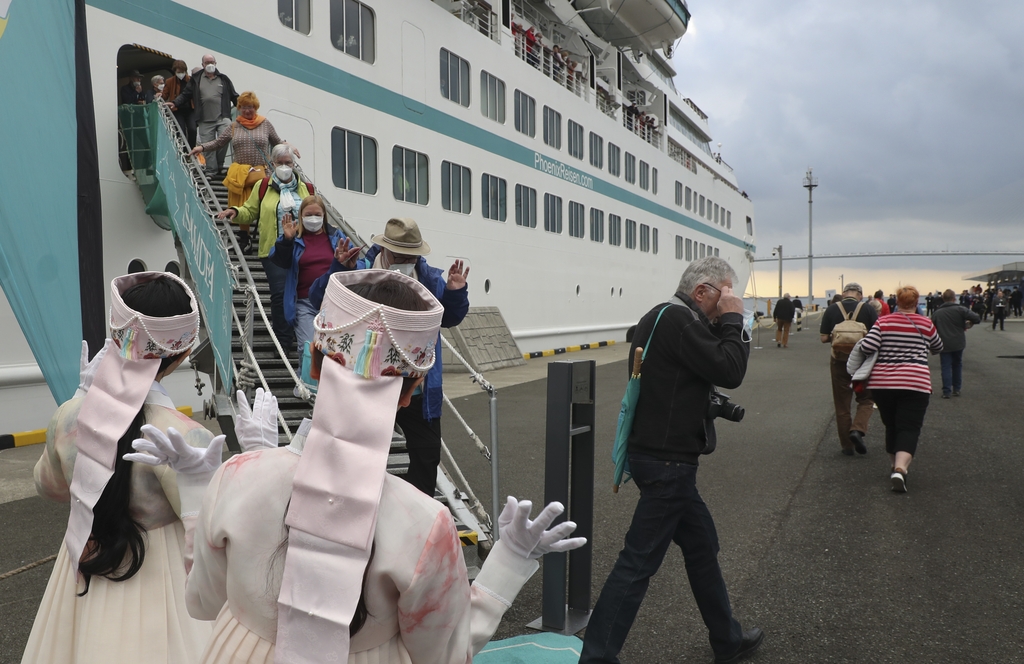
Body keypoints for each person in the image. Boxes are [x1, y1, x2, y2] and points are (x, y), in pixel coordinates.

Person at [133, 270, 586, 663]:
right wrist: (508, 561)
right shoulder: (426, 523)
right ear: (410, 392)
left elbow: (201, 602)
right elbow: (446, 655)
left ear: (314, 359)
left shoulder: (235, 477)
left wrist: (196, 488)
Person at [22, 273, 216, 663]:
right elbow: (213, 533)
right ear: (181, 353)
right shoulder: (186, 436)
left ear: (116, 338)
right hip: (163, 584)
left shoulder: (71, 417)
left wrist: (79, 402)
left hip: (85, 563)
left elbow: (50, 487)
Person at [580, 256, 763, 664]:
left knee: (701, 546)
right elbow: (731, 369)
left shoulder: (661, 317)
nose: (728, 302)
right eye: (725, 294)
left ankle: (727, 638)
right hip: (668, 465)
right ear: (702, 292)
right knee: (637, 563)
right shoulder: (680, 322)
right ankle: (595, 657)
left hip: (659, 459)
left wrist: (725, 317)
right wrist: (736, 319)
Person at [309, 217, 470, 495]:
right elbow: (318, 299)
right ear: (384, 249)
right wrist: (337, 269)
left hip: (417, 386)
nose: (406, 261)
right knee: (361, 449)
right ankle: (355, 503)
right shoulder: (359, 270)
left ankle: (415, 512)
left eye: (411, 256)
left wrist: (455, 293)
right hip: (365, 382)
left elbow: (449, 318)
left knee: (427, 453)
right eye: (399, 255)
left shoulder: (430, 278)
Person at [218, 145, 314, 353]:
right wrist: (235, 211)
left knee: (303, 293)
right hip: (274, 251)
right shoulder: (263, 186)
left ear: (294, 164)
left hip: (302, 248)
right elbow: (250, 210)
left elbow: (316, 213)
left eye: (288, 163)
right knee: (279, 295)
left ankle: (304, 337)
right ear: (272, 164)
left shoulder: (306, 188)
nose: (284, 167)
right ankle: (283, 340)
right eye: (279, 163)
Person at [857, 286, 942, 493]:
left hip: (883, 384)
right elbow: (938, 347)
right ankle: (900, 468)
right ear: (916, 303)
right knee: (909, 427)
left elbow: (866, 347)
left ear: (896, 303)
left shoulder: (883, 322)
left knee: (892, 424)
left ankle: (893, 465)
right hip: (916, 382)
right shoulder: (926, 323)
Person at [192, 91, 297, 253]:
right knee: (239, 197)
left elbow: (277, 142)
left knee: (260, 200)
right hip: (240, 172)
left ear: (256, 107)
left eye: (251, 107)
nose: (248, 110)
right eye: (244, 107)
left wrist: (289, 146)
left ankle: (267, 235)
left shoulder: (265, 124)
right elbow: (219, 142)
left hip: (260, 171)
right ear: (239, 108)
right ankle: (244, 237)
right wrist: (202, 147)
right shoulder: (234, 126)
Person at [270, 194, 353, 351]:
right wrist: (287, 241)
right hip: (304, 302)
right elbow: (279, 261)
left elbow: (352, 261)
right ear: (301, 216)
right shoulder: (295, 238)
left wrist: (347, 261)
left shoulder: (336, 236)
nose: (313, 218)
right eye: (308, 215)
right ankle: (305, 376)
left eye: (317, 215)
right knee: (308, 347)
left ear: (324, 216)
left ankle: (320, 376)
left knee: (331, 349)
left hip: (332, 302)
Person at [819, 283, 878, 456]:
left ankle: (847, 446)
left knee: (842, 404)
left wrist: (838, 338)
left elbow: (823, 338)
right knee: (866, 399)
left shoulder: (831, 309)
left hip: (839, 362)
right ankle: (857, 430)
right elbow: (877, 337)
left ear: (844, 293)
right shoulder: (868, 309)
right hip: (862, 364)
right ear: (860, 294)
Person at [170, 53, 238, 176]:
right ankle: (212, 170)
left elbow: (234, 96)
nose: (210, 64)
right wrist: (175, 103)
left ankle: (219, 164)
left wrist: (244, 108)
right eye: (207, 62)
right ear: (202, 64)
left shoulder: (224, 79)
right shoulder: (196, 79)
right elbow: (186, 94)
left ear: (216, 63)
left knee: (226, 137)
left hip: (223, 117)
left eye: (212, 62)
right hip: (204, 119)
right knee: (207, 146)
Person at [931, 289, 981, 398]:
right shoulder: (961, 309)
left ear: (943, 299)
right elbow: (977, 318)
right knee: (957, 364)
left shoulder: (937, 313)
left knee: (945, 366)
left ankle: (946, 391)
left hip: (944, 343)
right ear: (954, 298)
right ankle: (957, 389)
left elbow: (932, 328)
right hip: (958, 342)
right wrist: (968, 323)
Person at [163, 60, 195, 146]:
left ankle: (192, 149)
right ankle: (183, 150)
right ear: (175, 71)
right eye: (178, 72)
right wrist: (160, 96)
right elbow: (165, 95)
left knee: (192, 129)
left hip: (190, 109)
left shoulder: (191, 80)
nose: (181, 74)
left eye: (182, 72)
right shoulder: (170, 81)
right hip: (177, 110)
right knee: (181, 131)